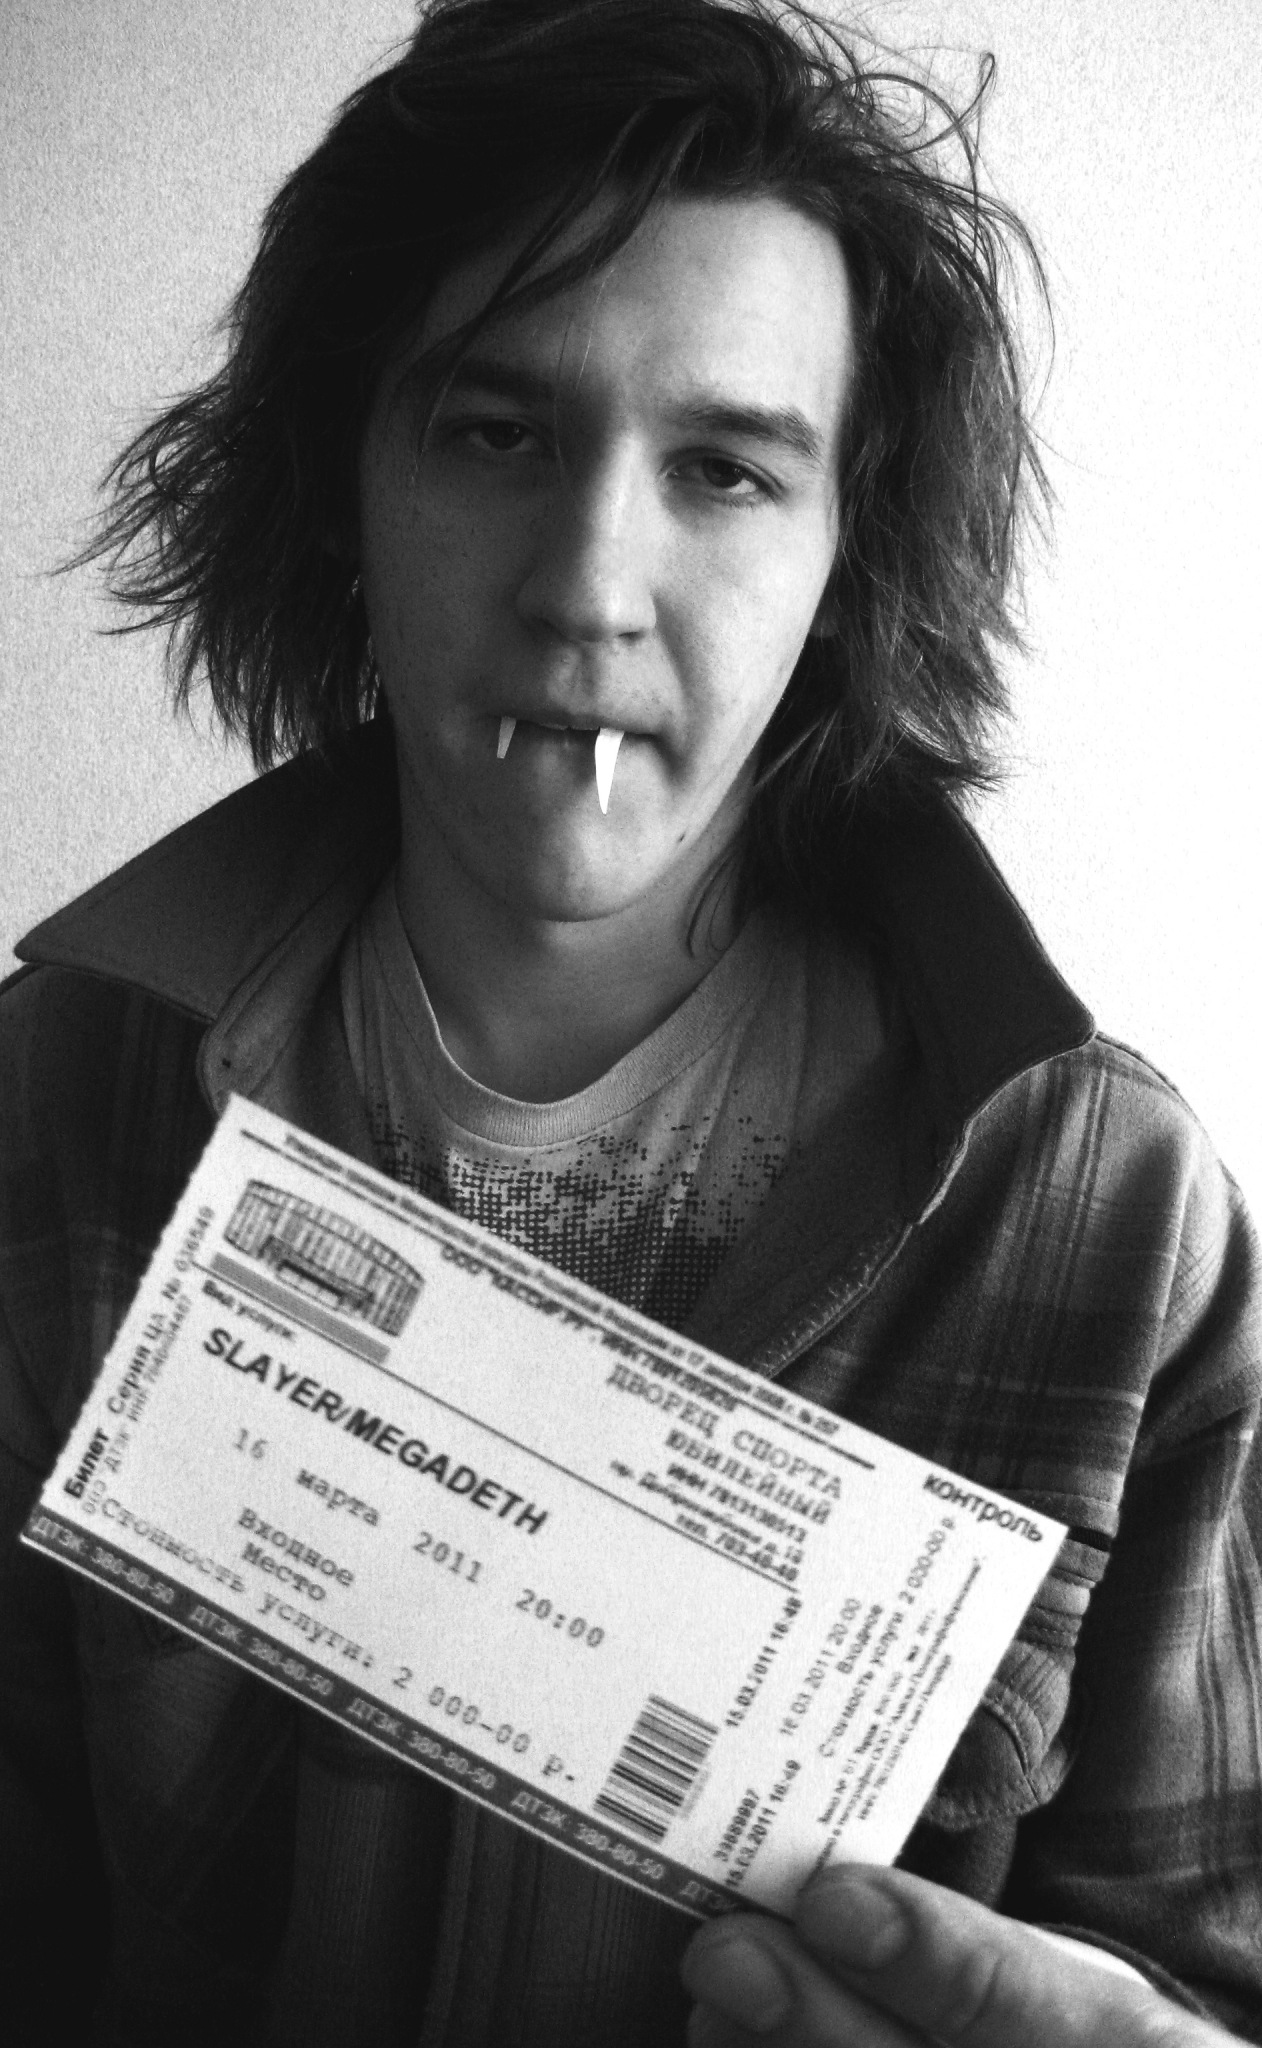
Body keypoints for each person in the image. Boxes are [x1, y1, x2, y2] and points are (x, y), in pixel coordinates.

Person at [1, 0, 1258, 2042]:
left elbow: (1203, 1962)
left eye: (724, 471)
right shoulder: (61, 1096)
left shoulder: (1104, 1209)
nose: (591, 582)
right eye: (495, 434)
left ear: (846, 557)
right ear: (342, 484)